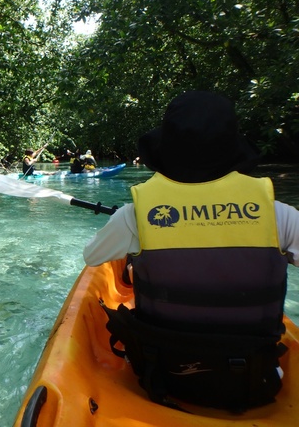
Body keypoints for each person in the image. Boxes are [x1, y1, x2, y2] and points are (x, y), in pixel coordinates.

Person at [83, 91, 299, 412]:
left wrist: (133, 235)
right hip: (253, 379)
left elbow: (92, 257)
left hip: (163, 374)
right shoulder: (279, 215)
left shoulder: (134, 215)